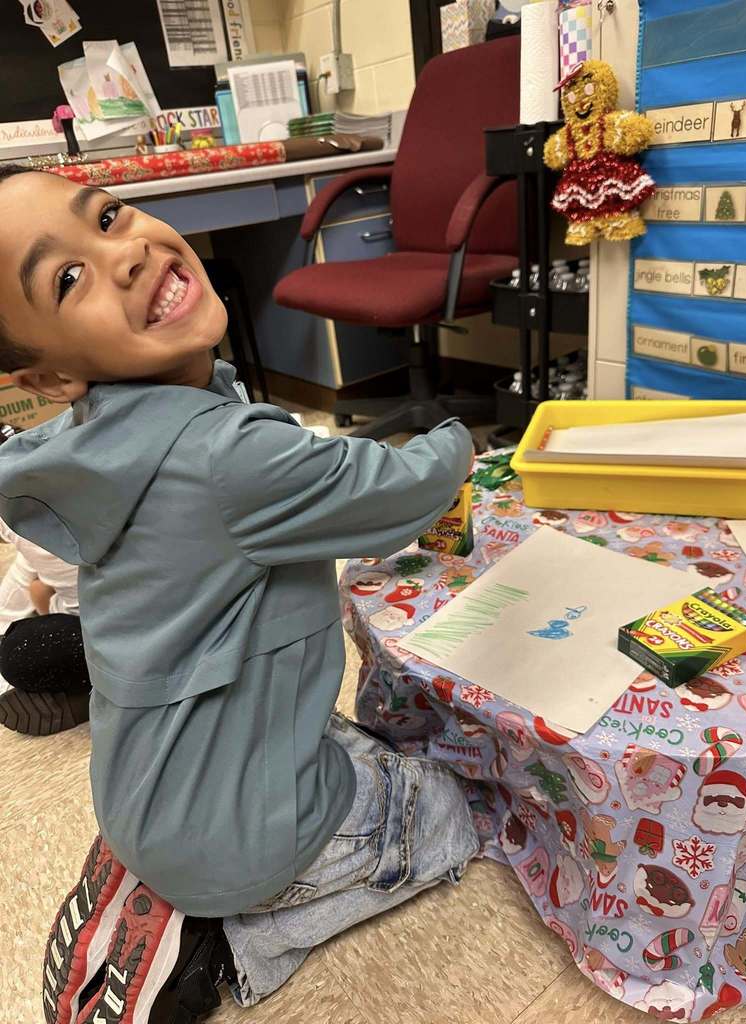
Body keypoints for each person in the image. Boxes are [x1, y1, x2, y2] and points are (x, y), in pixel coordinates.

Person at [0, 165, 479, 1024]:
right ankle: (224, 940)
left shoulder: (91, 443)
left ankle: (158, 872)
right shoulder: (229, 456)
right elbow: (399, 494)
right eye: (68, 278)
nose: (126, 256)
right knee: (444, 813)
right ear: (49, 378)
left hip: (139, 788)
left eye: (108, 217)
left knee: (352, 740)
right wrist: (460, 447)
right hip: (234, 839)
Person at [0, 512, 88, 735]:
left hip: (118, 627)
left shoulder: (16, 513)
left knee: (19, 653)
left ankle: (95, 693)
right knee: (37, 590)